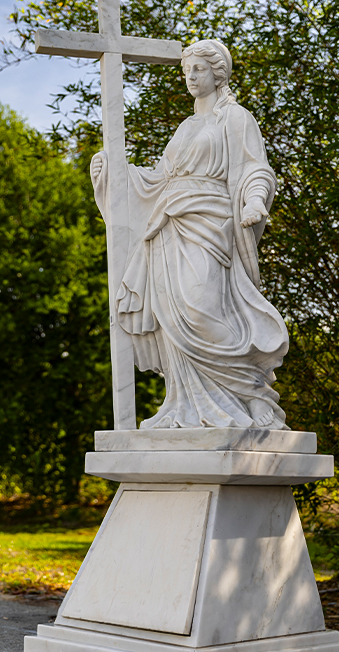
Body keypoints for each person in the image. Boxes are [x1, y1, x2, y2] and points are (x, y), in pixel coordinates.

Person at [91, 39, 289, 430]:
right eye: (187, 70)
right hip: (169, 226)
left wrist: (254, 202)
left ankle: (253, 395)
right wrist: (114, 176)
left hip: (211, 222)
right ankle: (185, 405)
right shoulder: (186, 127)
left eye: (198, 68)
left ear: (218, 72)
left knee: (203, 309)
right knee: (171, 317)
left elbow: (255, 169)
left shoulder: (235, 119)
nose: (191, 76)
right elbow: (159, 179)